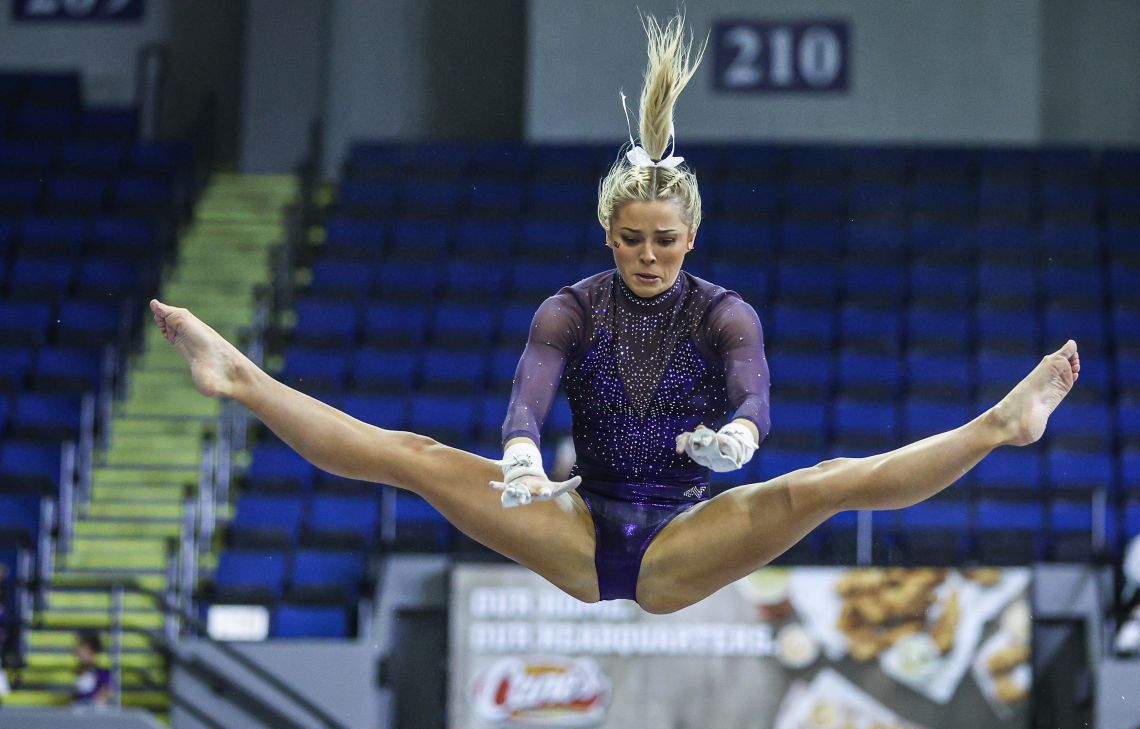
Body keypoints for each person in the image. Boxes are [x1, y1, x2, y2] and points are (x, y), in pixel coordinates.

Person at [148, 13, 1079, 615]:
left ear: (691, 235)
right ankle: (240, 378)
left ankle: (1000, 425)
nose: (647, 255)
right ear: (608, 231)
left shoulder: (727, 315)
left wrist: (743, 445)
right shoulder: (571, 310)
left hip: (681, 537)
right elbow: (530, 396)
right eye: (631, 238)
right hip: (578, 527)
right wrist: (516, 454)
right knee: (419, 459)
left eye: (664, 240)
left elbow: (754, 399)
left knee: (821, 483)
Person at [73, 631, 111, 706]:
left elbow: (105, 691)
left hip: (94, 710)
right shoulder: (78, 670)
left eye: (82, 650)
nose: (78, 654)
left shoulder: (102, 671)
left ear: (92, 652)